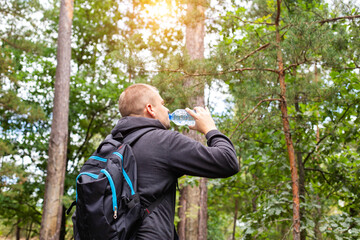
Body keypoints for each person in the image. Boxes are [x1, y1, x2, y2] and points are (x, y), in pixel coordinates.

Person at [113, 83, 239, 239]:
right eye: (162, 104)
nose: (166, 110)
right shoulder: (163, 142)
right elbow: (228, 161)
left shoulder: (111, 146)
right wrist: (210, 128)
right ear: (151, 109)